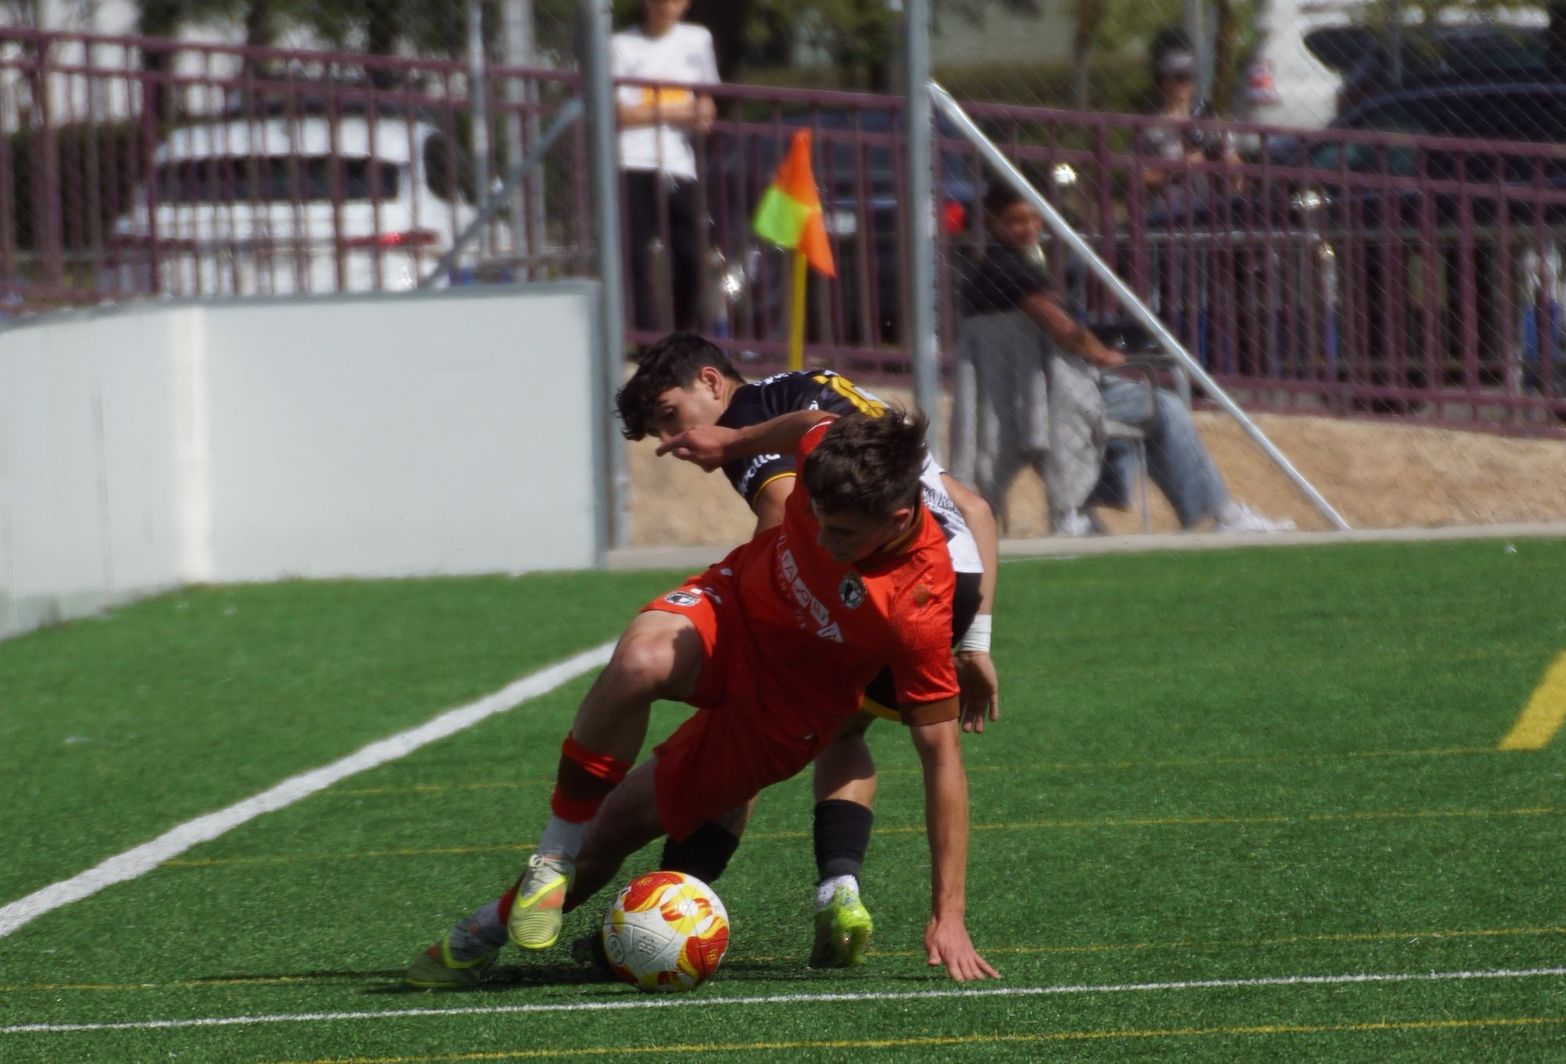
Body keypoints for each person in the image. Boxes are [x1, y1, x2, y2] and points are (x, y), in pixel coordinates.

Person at [405, 410, 1000, 987]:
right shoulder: (829, 448)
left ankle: (485, 930)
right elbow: (805, 421)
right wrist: (735, 440)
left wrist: (949, 914)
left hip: (783, 712)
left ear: (898, 519)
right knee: (640, 662)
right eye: (816, 517)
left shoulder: (916, 604)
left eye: (841, 532)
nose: (820, 537)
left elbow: (941, 759)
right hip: (732, 609)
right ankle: (552, 852)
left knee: (615, 834)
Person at [612, 332, 1001, 967]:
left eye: (670, 416)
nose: (674, 442)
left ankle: (676, 898)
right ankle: (839, 888)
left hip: (887, 593)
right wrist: (976, 638)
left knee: (748, 725)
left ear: (711, 381)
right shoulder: (832, 402)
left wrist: (763, 610)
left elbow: (783, 512)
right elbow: (977, 509)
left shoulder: (752, 421)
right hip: (949, 591)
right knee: (844, 731)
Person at [953, 181, 1294, 534]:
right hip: (1053, 399)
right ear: (992, 222)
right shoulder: (1012, 270)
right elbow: (1062, 327)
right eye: (1016, 221)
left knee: (1127, 420)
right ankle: (1224, 515)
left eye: (1034, 219)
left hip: (1019, 400)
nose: (1029, 228)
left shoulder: (986, 272)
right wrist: (1105, 355)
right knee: (1163, 407)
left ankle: (1081, 511)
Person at [613, 0, 719, 332]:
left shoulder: (697, 40)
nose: (664, 6)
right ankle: (647, 341)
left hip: (678, 163)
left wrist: (697, 110)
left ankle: (683, 333)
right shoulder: (620, 45)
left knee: (690, 251)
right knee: (635, 255)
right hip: (631, 160)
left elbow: (706, 102)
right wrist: (680, 111)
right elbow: (622, 114)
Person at [1135, 29, 1242, 204]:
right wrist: (1180, 166)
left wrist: (1228, 163)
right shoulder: (1150, 127)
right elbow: (1141, 176)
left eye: (1188, 77)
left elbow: (1234, 162)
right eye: (1178, 77)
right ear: (1162, 79)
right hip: (1167, 213)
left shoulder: (1206, 118)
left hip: (1209, 208)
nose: (1184, 84)